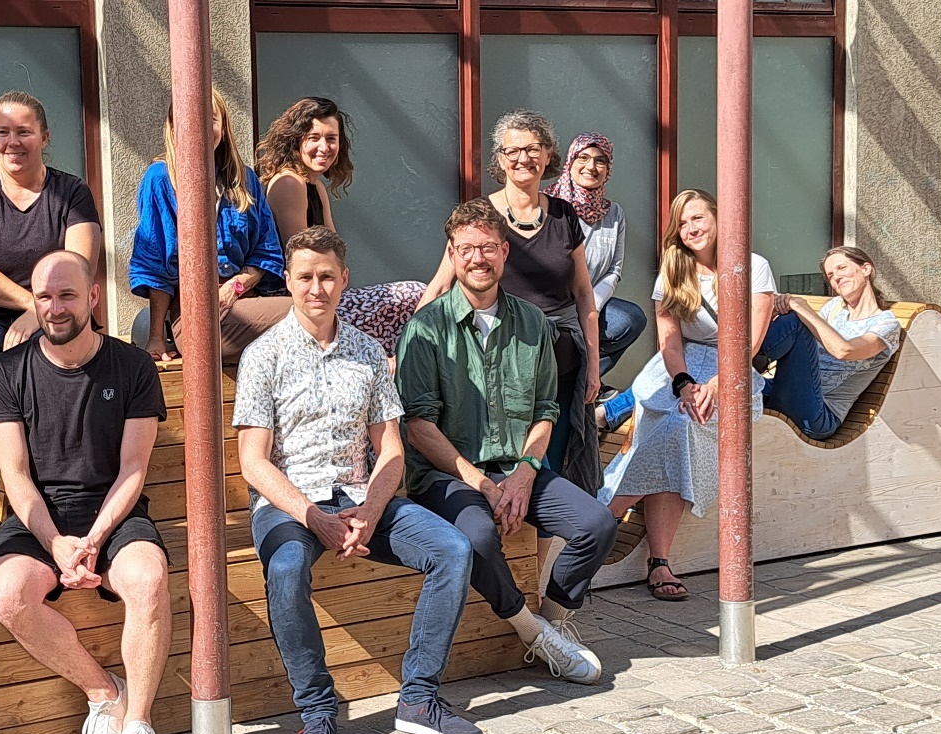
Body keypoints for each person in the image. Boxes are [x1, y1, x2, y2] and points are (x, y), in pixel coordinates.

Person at [234, 226, 481, 734]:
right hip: (290, 504)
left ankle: (418, 698)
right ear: (288, 281)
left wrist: (370, 509)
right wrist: (314, 518)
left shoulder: (369, 352)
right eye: (305, 277)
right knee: (286, 569)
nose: (316, 288)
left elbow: (390, 447)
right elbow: (253, 461)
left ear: (344, 280)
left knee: (452, 550)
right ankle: (318, 712)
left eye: (327, 276)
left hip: (361, 496)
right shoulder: (263, 355)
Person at [399, 199, 616, 686]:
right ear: (452, 256)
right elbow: (419, 426)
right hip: (448, 475)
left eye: (489, 248)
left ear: (504, 253)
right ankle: (530, 632)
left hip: (518, 467)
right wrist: (481, 482)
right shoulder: (424, 329)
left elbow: (545, 410)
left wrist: (523, 473)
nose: (479, 259)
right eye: (467, 249)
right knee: (475, 537)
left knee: (597, 523)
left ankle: (556, 624)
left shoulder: (533, 323)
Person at [0, 251, 170, 734]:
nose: (55, 307)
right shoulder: (7, 372)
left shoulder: (131, 366)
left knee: (149, 579)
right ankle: (104, 694)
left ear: (92, 297)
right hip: (39, 515)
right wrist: (58, 541)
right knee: (7, 593)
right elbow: (15, 478)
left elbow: (133, 470)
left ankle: (138, 725)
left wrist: (92, 537)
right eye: (44, 296)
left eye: (67, 295)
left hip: (113, 510)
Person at [0, 90, 103, 551]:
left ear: (45, 137)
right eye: (3, 132)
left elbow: (79, 263)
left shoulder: (70, 192)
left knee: (64, 387)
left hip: (57, 312)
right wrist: (29, 304)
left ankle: (56, 502)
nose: (13, 142)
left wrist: (42, 310)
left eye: (24, 132)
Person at [598, 190, 776, 601]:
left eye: (698, 218)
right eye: (683, 222)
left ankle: (603, 514)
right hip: (677, 369)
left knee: (682, 428)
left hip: (731, 368)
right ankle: (658, 560)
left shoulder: (754, 267)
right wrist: (682, 382)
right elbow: (669, 338)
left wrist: (717, 383)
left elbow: (750, 338)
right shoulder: (674, 269)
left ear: (718, 218)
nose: (692, 228)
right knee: (671, 430)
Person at [419, 110, 601, 497]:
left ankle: (541, 559)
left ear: (548, 154)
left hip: (561, 364)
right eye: (513, 150)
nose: (524, 159)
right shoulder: (481, 217)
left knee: (556, 467)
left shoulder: (564, 214)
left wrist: (594, 366)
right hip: (501, 366)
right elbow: (440, 283)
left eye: (533, 149)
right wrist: (410, 346)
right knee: (514, 468)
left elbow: (584, 294)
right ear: (500, 159)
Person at [255, 97, 426, 356]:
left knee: (416, 297)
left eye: (331, 138)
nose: (324, 147)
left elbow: (335, 252)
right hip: (298, 297)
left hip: (326, 289)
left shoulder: (315, 185)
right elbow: (306, 258)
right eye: (314, 137)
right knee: (411, 295)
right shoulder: (289, 184)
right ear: (296, 140)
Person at [129, 87, 287, 362]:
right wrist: (155, 336)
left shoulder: (245, 179)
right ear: (173, 128)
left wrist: (234, 287)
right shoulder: (161, 179)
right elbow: (154, 262)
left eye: (210, 119)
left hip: (245, 303)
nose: (200, 127)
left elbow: (267, 251)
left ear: (223, 128)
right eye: (189, 119)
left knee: (319, 312)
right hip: (194, 315)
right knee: (315, 312)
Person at [757, 246, 901, 440]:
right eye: (831, 275)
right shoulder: (834, 308)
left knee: (795, 322)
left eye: (842, 268)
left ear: (866, 269)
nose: (836, 278)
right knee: (736, 387)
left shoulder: (886, 323)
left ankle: (739, 361)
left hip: (818, 415)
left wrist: (800, 307)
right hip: (786, 391)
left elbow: (845, 351)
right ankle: (733, 365)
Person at [543, 132, 648, 387]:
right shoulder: (549, 205)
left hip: (591, 304)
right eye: (583, 157)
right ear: (570, 162)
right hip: (551, 304)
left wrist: (592, 306)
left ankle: (587, 381)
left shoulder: (614, 213)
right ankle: (556, 385)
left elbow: (614, 269)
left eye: (600, 161)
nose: (591, 167)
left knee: (631, 318)